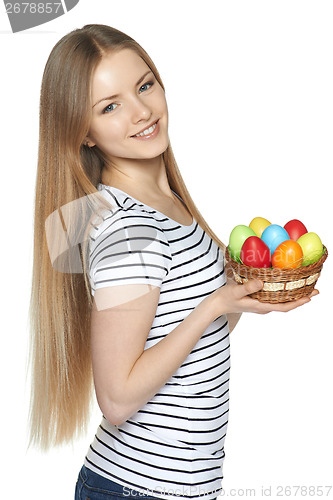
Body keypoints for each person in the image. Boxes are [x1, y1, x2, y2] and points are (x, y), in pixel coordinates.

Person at [29, 24, 318, 500]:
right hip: (138, 489)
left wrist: (241, 300)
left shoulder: (168, 203)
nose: (142, 112)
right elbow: (118, 399)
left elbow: (193, 336)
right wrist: (213, 305)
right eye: (110, 106)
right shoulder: (130, 228)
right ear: (84, 132)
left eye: (144, 85)